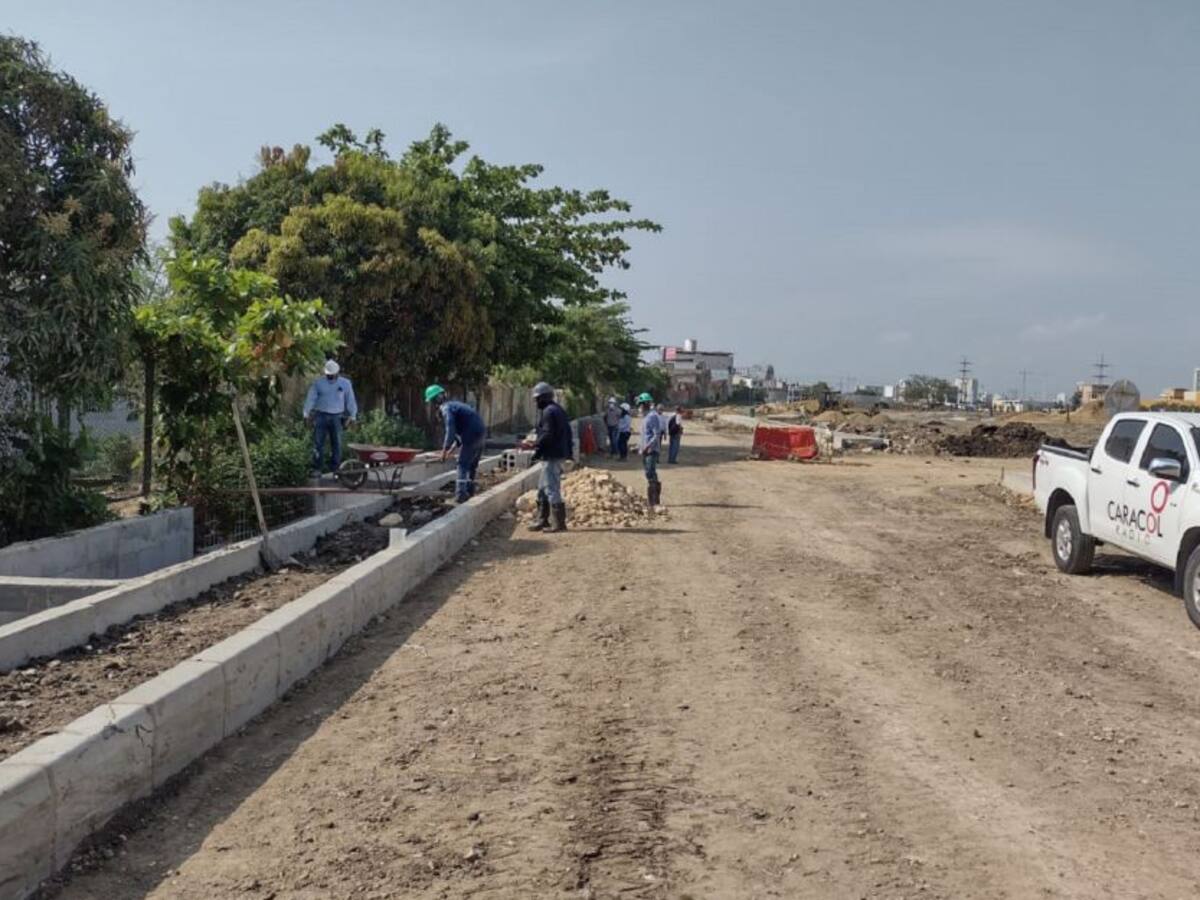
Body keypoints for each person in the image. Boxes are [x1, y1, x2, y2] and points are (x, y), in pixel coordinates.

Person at [425, 384, 486, 503]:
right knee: (471, 465)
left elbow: (450, 429)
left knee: (462, 464)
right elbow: (459, 438)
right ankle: (469, 490)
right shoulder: (456, 407)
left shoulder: (446, 408)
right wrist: (449, 451)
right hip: (480, 432)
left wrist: (444, 450)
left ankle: (461, 495)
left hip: (472, 434)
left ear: (435, 400)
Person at [529, 381, 573, 532]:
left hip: (552, 455)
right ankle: (542, 520)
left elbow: (548, 435)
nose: (536, 402)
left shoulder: (549, 411)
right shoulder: (557, 409)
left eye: (537, 399)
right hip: (555, 453)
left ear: (544, 397)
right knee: (542, 487)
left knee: (552, 487)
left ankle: (559, 524)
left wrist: (536, 447)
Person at [304, 359, 357, 476]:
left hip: (337, 417)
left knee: (337, 444)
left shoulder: (345, 384)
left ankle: (336, 469)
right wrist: (306, 414)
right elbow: (311, 398)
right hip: (320, 416)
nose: (330, 377)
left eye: (332, 375)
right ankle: (317, 468)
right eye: (328, 375)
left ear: (337, 373)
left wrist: (352, 416)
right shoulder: (318, 383)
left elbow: (350, 400)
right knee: (318, 443)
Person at [637, 392, 664, 506]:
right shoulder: (645, 417)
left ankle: (654, 499)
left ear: (646, 404)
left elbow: (656, 435)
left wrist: (648, 447)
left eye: (641, 405)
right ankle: (653, 498)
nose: (640, 407)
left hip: (651, 450)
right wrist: (639, 447)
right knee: (648, 473)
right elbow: (644, 436)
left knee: (650, 472)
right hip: (645, 450)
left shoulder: (652, 417)